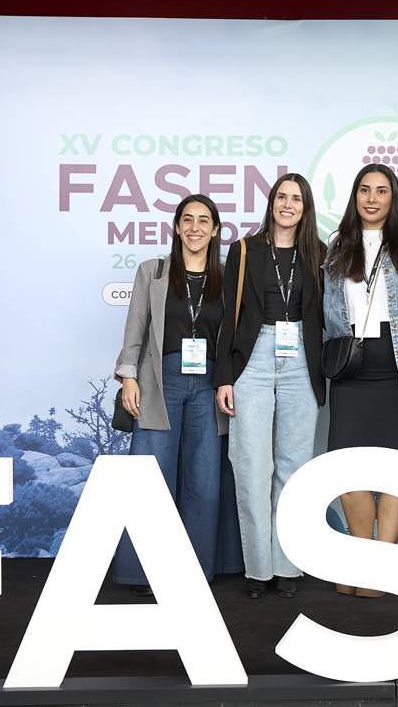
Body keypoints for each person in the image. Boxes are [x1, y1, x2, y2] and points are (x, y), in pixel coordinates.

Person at [113, 194, 242, 593]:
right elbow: (135, 327)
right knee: (151, 481)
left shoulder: (227, 278)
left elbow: (233, 339)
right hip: (158, 382)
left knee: (204, 483)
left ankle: (194, 574)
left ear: (216, 230)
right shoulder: (152, 271)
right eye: (187, 219)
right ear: (176, 227)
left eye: (203, 221)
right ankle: (143, 573)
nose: (194, 227)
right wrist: (128, 377)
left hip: (208, 386)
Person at [214, 173, 327, 599]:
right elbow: (228, 317)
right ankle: (258, 569)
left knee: (294, 467)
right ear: (272, 202)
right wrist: (224, 377)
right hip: (254, 357)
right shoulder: (244, 250)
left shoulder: (319, 254)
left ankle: (287, 566)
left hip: (301, 358)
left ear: (305, 207)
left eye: (296, 198)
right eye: (282, 196)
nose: (288, 204)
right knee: (251, 465)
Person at [322, 164, 398, 597]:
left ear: (393, 197)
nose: (372, 198)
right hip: (351, 371)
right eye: (365, 190)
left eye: (382, 191)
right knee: (348, 471)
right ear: (355, 196)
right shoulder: (337, 246)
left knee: (397, 472)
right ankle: (361, 562)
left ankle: (379, 570)